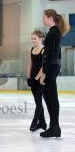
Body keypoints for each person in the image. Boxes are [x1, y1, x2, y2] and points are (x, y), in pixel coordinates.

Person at [39, 9, 70, 138]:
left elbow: (51, 55)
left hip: (51, 67)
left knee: (52, 97)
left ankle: (55, 127)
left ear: (50, 17)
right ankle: (53, 126)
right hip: (53, 66)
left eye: (44, 17)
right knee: (48, 96)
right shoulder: (54, 32)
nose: (43, 20)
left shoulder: (53, 33)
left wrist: (44, 72)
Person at [27, 30, 47, 132]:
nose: (33, 40)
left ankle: (34, 123)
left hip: (40, 80)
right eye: (32, 39)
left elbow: (44, 66)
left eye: (35, 39)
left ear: (40, 39)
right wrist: (28, 77)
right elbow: (29, 64)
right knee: (37, 102)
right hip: (33, 79)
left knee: (39, 102)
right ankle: (42, 123)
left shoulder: (44, 50)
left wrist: (36, 78)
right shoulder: (31, 49)